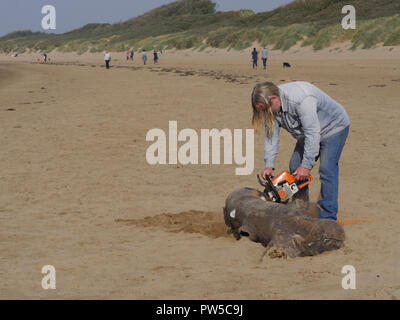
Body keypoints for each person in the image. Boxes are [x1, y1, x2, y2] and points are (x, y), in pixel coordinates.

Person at [251, 81, 351, 221]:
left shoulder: (302, 99)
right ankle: (301, 208)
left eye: (265, 110)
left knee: (327, 169)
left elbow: (312, 133)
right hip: (308, 133)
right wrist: (269, 164)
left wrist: (306, 165)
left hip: (333, 128)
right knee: (294, 167)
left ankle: (328, 217)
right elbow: (271, 137)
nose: (266, 113)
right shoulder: (271, 107)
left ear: (274, 99)